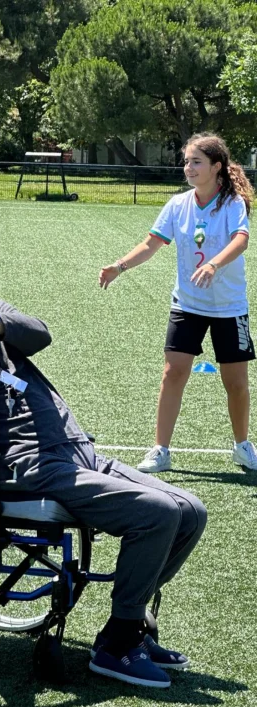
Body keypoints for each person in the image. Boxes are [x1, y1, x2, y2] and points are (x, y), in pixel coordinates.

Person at [0, 226, 207, 689]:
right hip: (25, 464)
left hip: (74, 449)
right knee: (159, 513)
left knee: (192, 512)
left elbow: (40, 334)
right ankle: (118, 645)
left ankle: (130, 629)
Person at [99, 134, 256, 473]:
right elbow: (152, 243)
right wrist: (119, 266)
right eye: (186, 161)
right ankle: (161, 450)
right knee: (173, 372)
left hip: (228, 307)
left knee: (236, 383)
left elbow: (241, 240)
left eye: (196, 161)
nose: (188, 167)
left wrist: (213, 264)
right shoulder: (177, 204)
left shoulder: (232, 204)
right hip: (187, 304)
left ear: (216, 167)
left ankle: (242, 446)